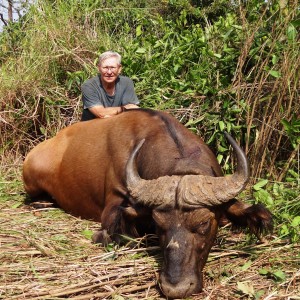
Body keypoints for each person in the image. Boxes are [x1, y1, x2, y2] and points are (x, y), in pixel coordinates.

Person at [81, 51, 139, 121]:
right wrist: (124, 109)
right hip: (92, 127)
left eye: (112, 67)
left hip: (117, 125)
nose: (109, 72)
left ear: (119, 68)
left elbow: (132, 112)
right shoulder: (89, 85)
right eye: (105, 67)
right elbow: (101, 114)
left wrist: (127, 110)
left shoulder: (126, 82)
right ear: (99, 68)